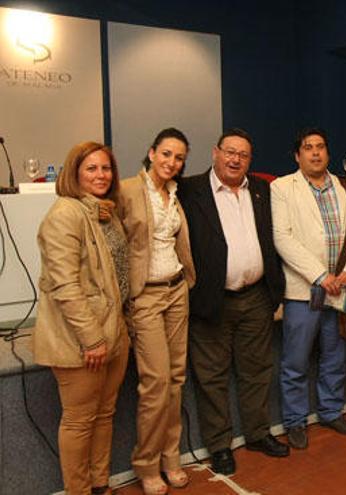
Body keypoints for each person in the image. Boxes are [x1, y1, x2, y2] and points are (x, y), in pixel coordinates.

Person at [177, 128, 289, 476]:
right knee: (212, 378)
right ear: (215, 152)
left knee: (257, 372)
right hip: (211, 301)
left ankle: (257, 434)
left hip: (256, 297)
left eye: (243, 154)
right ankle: (220, 446)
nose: (235, 159)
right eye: (230, 152)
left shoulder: (261, 189)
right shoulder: (190, 190)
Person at [34, 142, 129, 495]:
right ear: (73, 173)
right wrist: (92, 338)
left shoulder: (104, 212)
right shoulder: (65, 215)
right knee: (79, 421)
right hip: (84, 341)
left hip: (115, 331)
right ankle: (79, 490)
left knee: (105, 415)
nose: (101, 175)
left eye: (106, 168)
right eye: (91, 169)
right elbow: (65, 286)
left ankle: (99, 484)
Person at [272, 128, 346, 448]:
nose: (315, 153)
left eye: (320, 147)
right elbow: (282, 237)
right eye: (308, 148)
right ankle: (295, 421)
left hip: (340, 288)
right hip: (305, 291)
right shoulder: (283, 187)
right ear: (297, 155)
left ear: (328, 153)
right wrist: (319, 275)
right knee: (296, 360)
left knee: (334, 355)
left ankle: (331, 411)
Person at [118, 128, 196, 494]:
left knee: (176, 380)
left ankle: (171, 456)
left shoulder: (175, 194)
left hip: (176, 290)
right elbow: (114, 244)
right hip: (145, 297)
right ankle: (146, 463)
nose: (171, 163)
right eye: (166, 154)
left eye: (178, 158)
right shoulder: (128, 190)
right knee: (156, 383)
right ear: (151, 153)